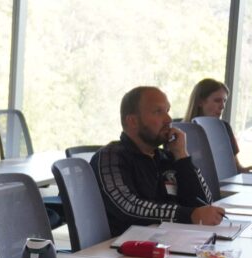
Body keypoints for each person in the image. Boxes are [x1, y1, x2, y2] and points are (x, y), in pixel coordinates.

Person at [91, 86, 223, 236]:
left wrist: (182, 156)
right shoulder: (111, 156)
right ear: (133, 121)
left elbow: (204, 204)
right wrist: (189, 215)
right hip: (124, 250)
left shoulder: (166, 157)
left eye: (167, 111)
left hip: (169, 243)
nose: (168, 119)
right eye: (158, 112)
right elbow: (127, 207)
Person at [184, 78, 248, 172]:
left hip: (222, 184)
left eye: (224, 101)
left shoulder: (224, 128)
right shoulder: (180, 131)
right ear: (200, 102)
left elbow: (237, 168)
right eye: (217, 100)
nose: (222, 106)